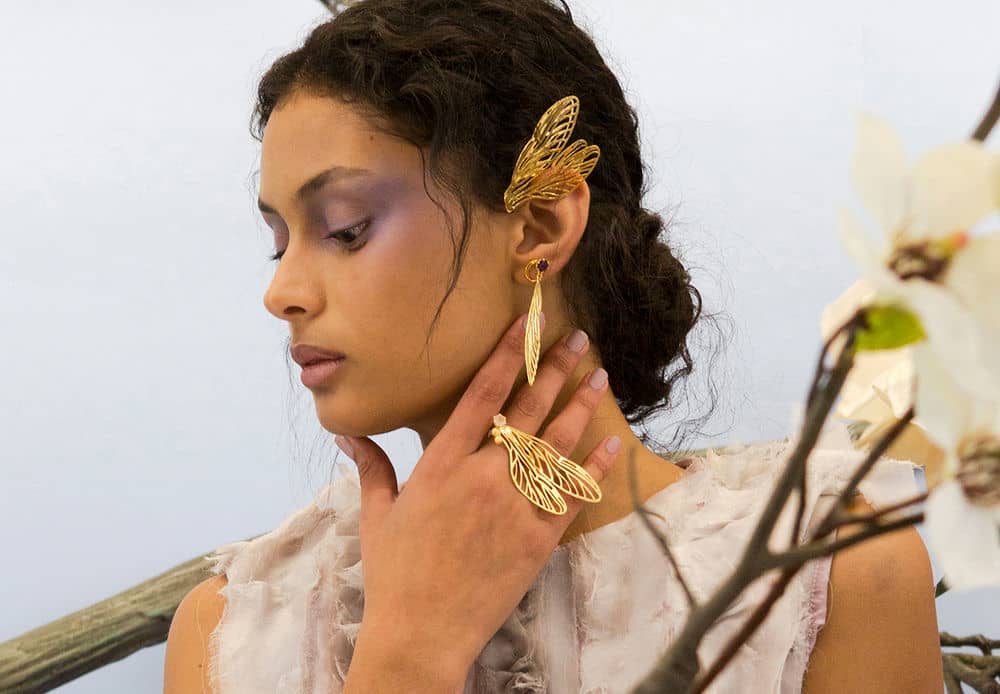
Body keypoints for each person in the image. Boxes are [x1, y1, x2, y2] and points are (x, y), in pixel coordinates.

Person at [162, 1, 944, 692]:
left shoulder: (827, 582)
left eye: (344, 229)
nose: (282, 293)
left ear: (539, 226)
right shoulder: (232, 635)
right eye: (279, 242)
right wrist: (405, 656)